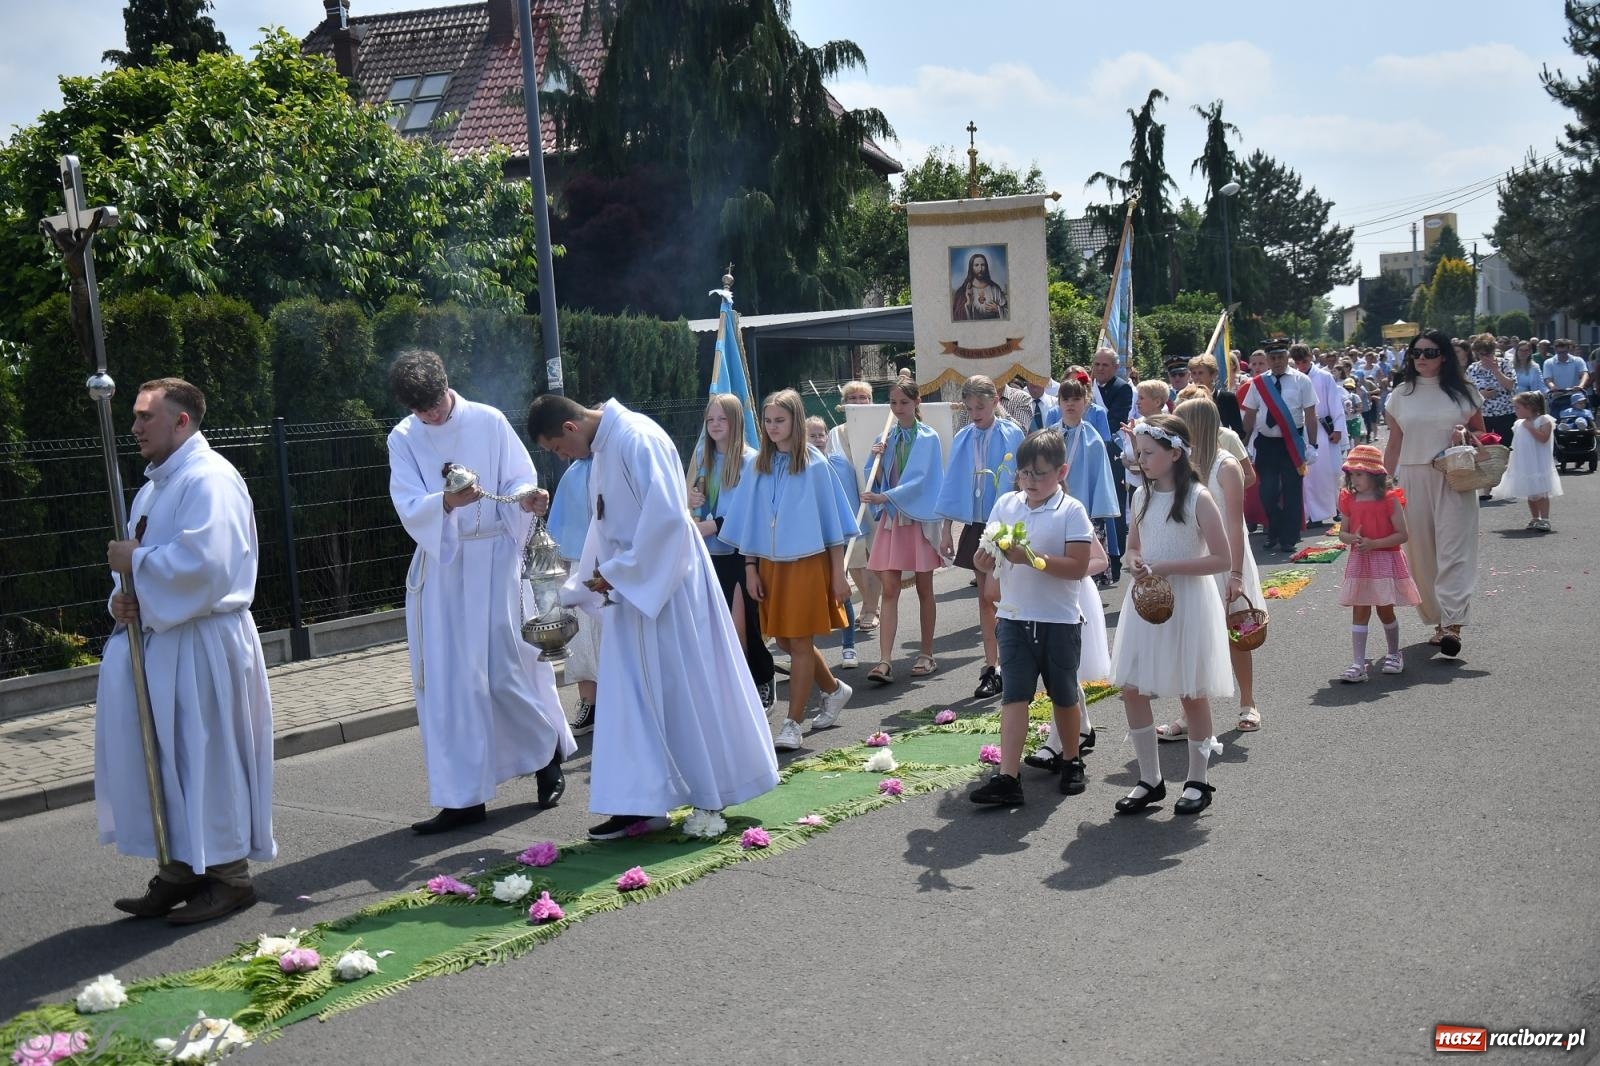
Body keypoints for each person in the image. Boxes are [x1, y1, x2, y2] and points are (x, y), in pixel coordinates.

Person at [528, 394, 781, 839]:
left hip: (668, 590)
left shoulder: (637, 438)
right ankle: (640, 803)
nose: (562, 457)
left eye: (557, 448)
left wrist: (617, 574)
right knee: (630, 700)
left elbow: (667, 521)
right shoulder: (603, 449)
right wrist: (583, 584)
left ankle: (709, 789)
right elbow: (603, 527)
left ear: (570, 427)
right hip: (631, 589)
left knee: (685, 691)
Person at [100, 378, 275, 924]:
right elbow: (136, 571)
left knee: (208, 758)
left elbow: (208, 565)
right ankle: (180, 869)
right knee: (168, 761)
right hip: (164, 641)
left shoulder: (210, 479)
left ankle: (231, 877)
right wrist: (122, 600)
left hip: (204, 643)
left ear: (181, 421)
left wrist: (136, 563)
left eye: (145, 416)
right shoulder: (154, 487)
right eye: (134, 416)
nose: (134, 427)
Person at [387, 350, 576, 834]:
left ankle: (546, 756)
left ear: (446, 384)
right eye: (420, 410)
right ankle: (463, 797)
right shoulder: (403, 438)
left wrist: (528, 498)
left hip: (495, 560)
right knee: (451, 684)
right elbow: (408, 503)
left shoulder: (488, 420)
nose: (431, 417)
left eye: (434, 405)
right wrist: (446, 503)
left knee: (505, 671)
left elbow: (518, 477)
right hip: (445, 567)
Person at [1108, 415, 1234, 816]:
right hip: (1147, 600)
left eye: (1148, 453)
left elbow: (1222, 558)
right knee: (1133, 688)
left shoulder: (1198, 497)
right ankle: (1150, 778)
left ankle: (1198, 779)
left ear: (1174, 453)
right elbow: (1133, 545)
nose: (1141, 460)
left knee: (1190, 690)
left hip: (1188, 602)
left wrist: (1167, 567)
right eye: (1139, 453)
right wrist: (1135, 561)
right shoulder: (1140, 497)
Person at [721, 388, 857, 751]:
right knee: (783, 639)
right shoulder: (758, 466)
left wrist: (838, 574)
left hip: (807, 564)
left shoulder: (816, 465)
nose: (772, 427)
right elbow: (749, 523)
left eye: (779, 420)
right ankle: (833, 689)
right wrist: (751, 568)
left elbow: (832, 526)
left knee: (798, 641)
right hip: (768, 565)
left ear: (796, 421)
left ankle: (792, 723)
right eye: (767, 421)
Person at [967, 429, 1095, 806]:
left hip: (1059, 619)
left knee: (1064, 696)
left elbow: (1078, 566)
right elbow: (986, 557)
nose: (1031, 481)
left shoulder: (1071, 510)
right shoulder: (1006, 504)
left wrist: (1033, 558)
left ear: (1061, 471)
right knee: (1014, 696)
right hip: (1013, 617)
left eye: (1040, 473)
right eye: (1025, 472)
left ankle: (1071, 759)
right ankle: (1008, 776)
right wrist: (982, 562)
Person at [1163, 397, 1265, 734]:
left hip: (1226, 558)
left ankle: (1248, 702)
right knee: (1191, 638)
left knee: (1237, 633)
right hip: (1195, 559)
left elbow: (1235, 524)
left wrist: (1236, 573)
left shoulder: (1226, 465)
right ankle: (1189, 713)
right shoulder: (1180, 464)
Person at [1381, 329, 1485, 658]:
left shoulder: (1465, 391)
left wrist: (1466, 433)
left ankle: (1453, 623)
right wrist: (1381, 483)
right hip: (1413, 476)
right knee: (1421, 554)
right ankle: (1438, 620)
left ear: (1443, 356)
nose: (1421, 358)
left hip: (1455, 474)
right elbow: (1394, 442)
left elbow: (1482, 433)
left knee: (1455, 549)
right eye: (1416, 353)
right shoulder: (1400, 394)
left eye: (1429, 352)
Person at [935, 374, 1023, 700]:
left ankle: (1016, 661)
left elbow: (1023, 479)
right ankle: (992, 666)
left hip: (1008, 523)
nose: (975, 414)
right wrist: (946, 529)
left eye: (981, 407)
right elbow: (952, 482)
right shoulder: (963, 438)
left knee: (1009, 596)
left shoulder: (1012, 433)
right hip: (978, 526)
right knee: (986, 597)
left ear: (995, 401)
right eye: (969, 408)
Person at [689, 395, 777, 700]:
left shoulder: (751, 460)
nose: (715, 425)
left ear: (736, 421)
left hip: (740, 550)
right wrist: (692, 501)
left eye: (722, 419)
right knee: (719, 624)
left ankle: (762, 677)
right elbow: (695, 500)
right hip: (709, 551)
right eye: (710, 419)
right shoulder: (703, 455)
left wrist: (713, 525)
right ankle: (734, 689)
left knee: (743, 622)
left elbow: (751, 510)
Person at [861, 373, 945, 684]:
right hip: (893, 519)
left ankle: (926, 653)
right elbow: (875, 477)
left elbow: (922, 479)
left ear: (917, 402)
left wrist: (886, 496)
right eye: (894, 402)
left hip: (918, 519)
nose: (898, 408)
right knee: (890, 588)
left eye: (904, 402)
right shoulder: (886, 437)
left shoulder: (928, 437)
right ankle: (884, 661)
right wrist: (876, 460)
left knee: (924, 588)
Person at [1333, 445, 1421, 682]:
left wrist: (1375, 543)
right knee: (1360, 608)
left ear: (1375, 474)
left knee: (1384, 608)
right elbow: (1343, 533)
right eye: (1352, 474)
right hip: (1360, 559)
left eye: (1359, 474)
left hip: (1384, 558)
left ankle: (1394, 653)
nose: (1354, 479)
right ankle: (1358, 663)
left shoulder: (1390, 499)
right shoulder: (1348, 499)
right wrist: (1352, 538)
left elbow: (1402, 534)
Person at [1241, 344, 1321, 553]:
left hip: (1291, 443)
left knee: (1292, 490)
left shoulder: (1301, 380)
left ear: (1287, 357)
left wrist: (1313, 445)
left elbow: (1311, 415)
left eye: (1280, 357)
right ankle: (1275, 529)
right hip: (1266, 444)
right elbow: (1250, 415)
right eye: (1273, 357)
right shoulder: (1258, 383)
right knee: (1267, 492)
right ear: (1268, 359)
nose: (1277, 361)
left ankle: (1289, 538)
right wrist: (1243, 444)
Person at [546, 454, 600, 734]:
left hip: (614, 561)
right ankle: (588, 704)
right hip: (580, 564)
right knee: (581, 639)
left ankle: (623, 705)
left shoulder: (617, 460)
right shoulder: (574, 473)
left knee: (612, 639)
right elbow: (559, 525)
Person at [827, 381, 882, 633]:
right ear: (844, 403)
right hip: (849, 502)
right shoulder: (834, 433)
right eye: (853, 398)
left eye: (863, 397)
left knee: (875, 555)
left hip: (876, 500)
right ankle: (869, 604)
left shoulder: (882, 429)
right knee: (857, 557)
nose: (858, 402)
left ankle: (872, 607)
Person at [809, 415, 861, 668]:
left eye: (822, 434)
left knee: (841, 592)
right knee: (810, 596)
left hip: (836, 540)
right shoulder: (801, 467)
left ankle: (849, 647)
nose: (818, 439)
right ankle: (806, 652)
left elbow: (849, 498)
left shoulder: (838, 463)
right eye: (812, 435)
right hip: (809, 542)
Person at [1091, 348, 1135, 581]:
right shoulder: (1086, 388)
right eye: (1096, 364)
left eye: (1105, 365)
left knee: (1112, 504)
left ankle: (1114, 561)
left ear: (1115, 367)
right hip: (1087, 452)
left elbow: (1115, 421)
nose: (1099, 369)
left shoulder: (1122, 388)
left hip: (1110, 452)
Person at [1492, 391, 1562, 532]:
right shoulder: (1518, 423)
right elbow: (1516, 443)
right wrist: (1510, 460)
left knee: (1541, 492)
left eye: (1518, 408)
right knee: (1531, 493)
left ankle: (1545, 519)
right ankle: (1535, 518)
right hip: (1525, 463)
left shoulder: (1544, 420)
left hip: (1539, 463)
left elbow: (1544, 439)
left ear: (1529, 407)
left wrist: (1531, 428)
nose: (1515, 410)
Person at [1295, 344, 1345, 525]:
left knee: (1329, 471)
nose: (1301, 365)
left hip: (1323, 430)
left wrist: (1338, 428)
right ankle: (1311, 513)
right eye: (1298, 362)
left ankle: (1335, 506)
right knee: (1307, 476)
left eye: (1304, 361)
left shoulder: (1324, 377)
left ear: (1311, 358)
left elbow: (1335, 403)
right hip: (1302, 429)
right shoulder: (1294, 378)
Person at [1467, 333, 1517, 443]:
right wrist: (1481, 394)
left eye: (1488, 353)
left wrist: (1496, 370)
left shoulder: (1505, 364)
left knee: (1506, 447)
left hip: (1505, 414)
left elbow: (1511, 386)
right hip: (1483, 416)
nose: (1485, 357)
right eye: (1482, 354)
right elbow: (1467, 392)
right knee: (1485, 447)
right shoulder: (1472, 368)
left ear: (1493, 351)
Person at [1189, 353, 1243, 435]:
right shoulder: (1187, 398)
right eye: (1194, 373)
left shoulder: (1227, 398)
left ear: (1213, 374)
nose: (1197, 377)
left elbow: (1238, 430)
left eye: (1200, 373)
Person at [952, 251, 1008, 321]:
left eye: (983, 265)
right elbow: (956, 316)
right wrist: (968, 304)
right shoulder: (962, 291)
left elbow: (1009, 312)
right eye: (976, 265)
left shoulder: (995, 289)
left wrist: (998, 309)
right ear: (971, 267)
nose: (980, 269)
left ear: (986, 267)